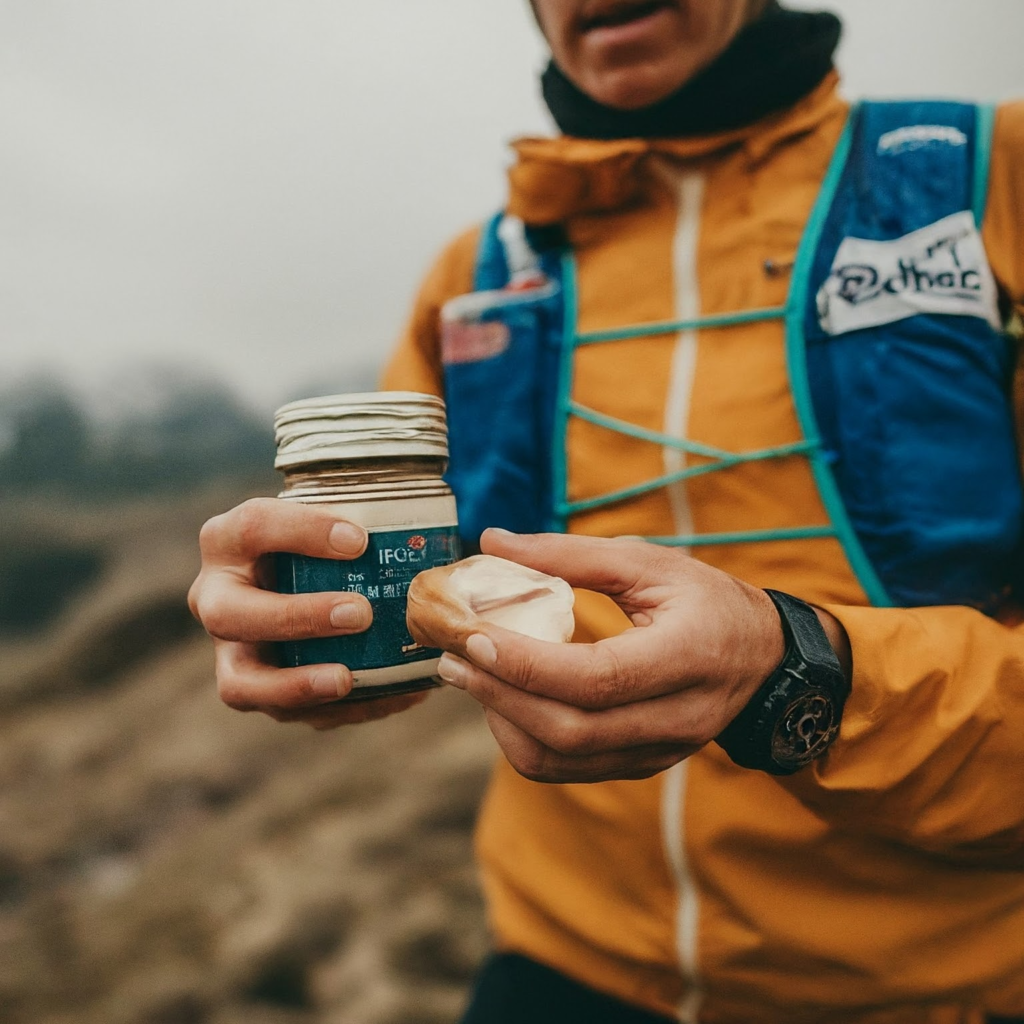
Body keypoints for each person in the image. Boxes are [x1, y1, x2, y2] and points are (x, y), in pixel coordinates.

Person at [188, 2, 1024, 1021]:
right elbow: (403, 585)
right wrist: (288, 616)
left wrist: (791, 668)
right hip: (562, 961)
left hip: (945, 981)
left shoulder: (998, 183)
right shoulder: (475, 281)